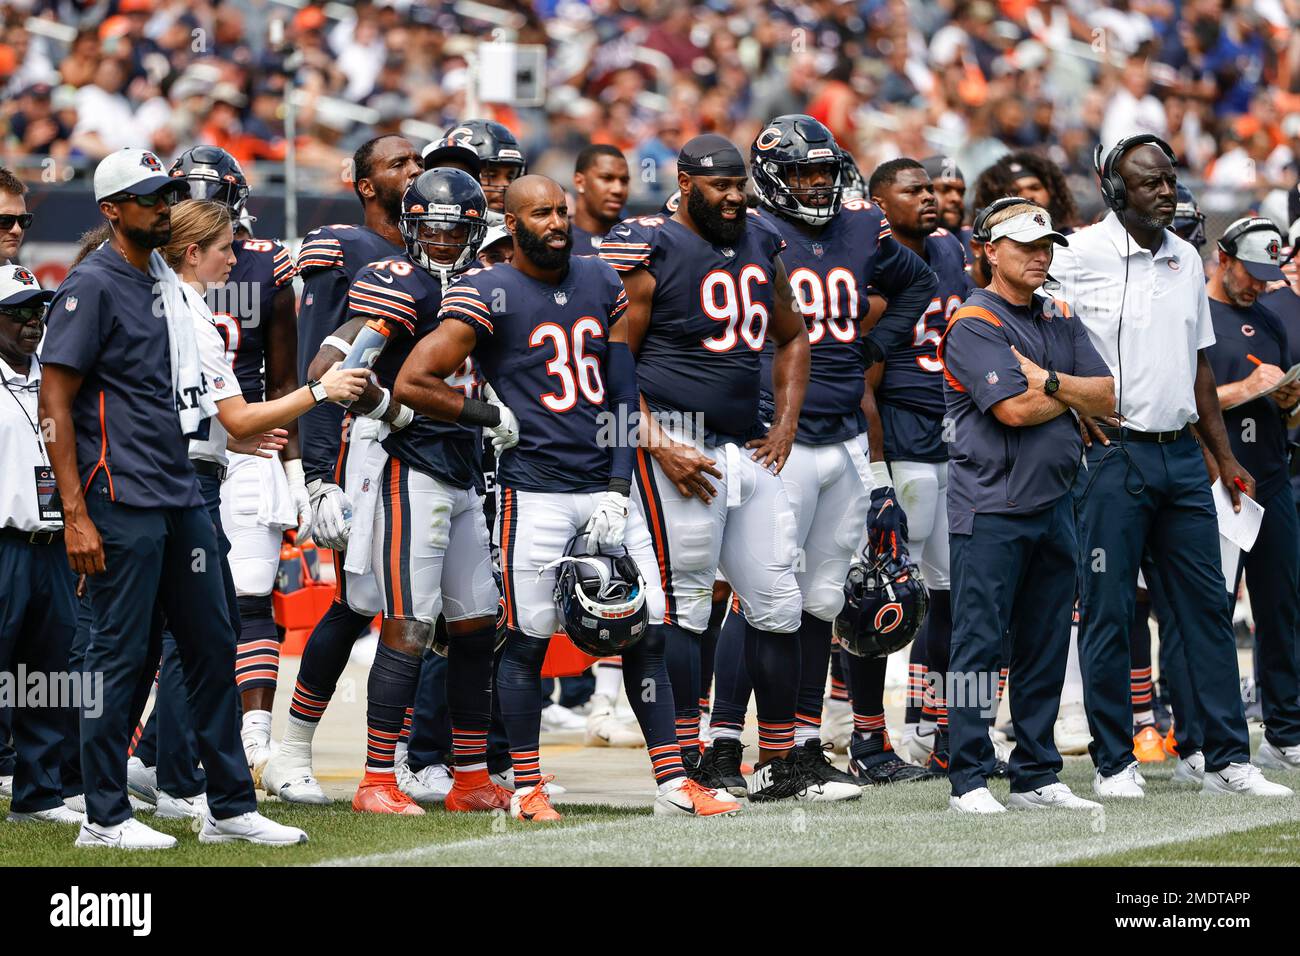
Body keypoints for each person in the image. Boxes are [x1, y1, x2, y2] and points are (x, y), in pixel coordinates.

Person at [395, 174, 740, 821]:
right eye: (542, 212)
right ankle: (526, 788)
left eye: (561, 211)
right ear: (513, 220)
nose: (557, 222)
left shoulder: (599, 281)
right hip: (534, 492)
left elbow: (618, 390)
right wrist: (483, 412)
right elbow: (415, 379)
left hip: (605, 487)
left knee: (649, 632)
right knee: (527, 640)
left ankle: (671, 783)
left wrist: (617, 484)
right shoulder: (487, 288)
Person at [38, 147, 309, 850]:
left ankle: (227, 807)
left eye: (166, 196)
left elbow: (188, 388)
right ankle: (103, 817)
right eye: (148, 197)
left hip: (181, 488)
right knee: (118, 657)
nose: (162, 206)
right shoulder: (91, 285)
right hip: (119, 493)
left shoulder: (166, 279)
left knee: (214, 646)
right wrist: (74, 512)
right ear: (112, 211)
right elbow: (55, 401)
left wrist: (233, 437)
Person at [1051, 134, 1293, 799]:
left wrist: (1222, 457)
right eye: (1149, 181)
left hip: (1183, 455)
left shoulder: (1186, 257)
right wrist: (1069, 402)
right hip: (1111, 457)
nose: (1165, 190)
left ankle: (1225, 759)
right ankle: (1114, 763)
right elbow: (1034, 328)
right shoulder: (1074, 254)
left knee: (1207, 609)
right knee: (1107, 612)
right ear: (1113, 189)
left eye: (1168, 179)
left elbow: (1200, 364)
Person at [701, 120, 937, 796]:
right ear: (772, 175)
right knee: (759, 598)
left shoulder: (863, 226)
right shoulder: (741, 229)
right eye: (802, 174)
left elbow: (915, 283)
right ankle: (723, 744)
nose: (816, 185)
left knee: (821, 600)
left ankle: (800, 746)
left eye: (824, 172)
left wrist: (878, 343)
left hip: (843, 436)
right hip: (776, 436)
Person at [598, 133, 828, 802]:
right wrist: (654, 440)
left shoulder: (761, 241)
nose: (733, 197)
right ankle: (690, 761)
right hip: (678, 438)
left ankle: (781, 759)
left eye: (739, 184)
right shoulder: (652, 247)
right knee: (688, 606)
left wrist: (786, 423)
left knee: (779, 602)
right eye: (719, 185)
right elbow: (614, 363)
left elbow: (792, 334)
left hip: (745, 442)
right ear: (685, 182)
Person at [303, 167, 505, 815]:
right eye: (431, 229)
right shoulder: (397, 280)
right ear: (411, 228)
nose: (442, 243)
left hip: (466, 470)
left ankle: (470, 776)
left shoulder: (487, 285)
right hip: (408, 466)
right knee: (408, 623)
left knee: (476, 625)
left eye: (456, 231)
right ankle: (375, 780)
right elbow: (340, 373)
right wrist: (401, 410)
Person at [939, 198, 1115, 813]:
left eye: (1045, 247)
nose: (1040, 256)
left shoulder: (1058, 313)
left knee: (1044, 641)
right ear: (989, 251)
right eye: (1025, 246)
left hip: (1056, 501)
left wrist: (1047, 381)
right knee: (978, 644)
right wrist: (1071, 394)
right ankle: (967, 777)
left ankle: (1037, 772)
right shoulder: (974, 322)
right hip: (990, 504)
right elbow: (1012, 411)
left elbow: (1108, 393)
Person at [263, 134, 421, 805]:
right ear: (364, 184)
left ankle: (415, 757)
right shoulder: (344, 247)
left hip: (436, 446)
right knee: (358, 601)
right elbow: (320, 366)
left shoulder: (437, 248)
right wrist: (317, 471)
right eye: (398, 164)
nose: (414, 173)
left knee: (429, 608)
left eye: (419, 161)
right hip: (366, 444)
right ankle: (292, 752)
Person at [866, 157, 974, 775]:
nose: (929, 198)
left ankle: (936, 731)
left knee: (950, 594)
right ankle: (866, 735)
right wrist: (877, 465)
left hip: (951, 436)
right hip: (902, 434)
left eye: (932, 189)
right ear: (881, 201)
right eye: (914, 190)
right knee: (878, 596)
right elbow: (866, 377)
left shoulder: (951, 250)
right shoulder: (873, 258)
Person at [1203, 216, 1300, 771]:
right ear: (1223, 257)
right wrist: (1245, 389)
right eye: (1250, 272)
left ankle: (1284, 731)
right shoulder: (1195, 317)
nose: (1258, 285)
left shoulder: (1268, 318)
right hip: (1216, 480)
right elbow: (1182, 403)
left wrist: (1286, 399)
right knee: (1211, 612)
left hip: (1271, 474)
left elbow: (1279, 400)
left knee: (1280, 607)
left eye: (1267, 274)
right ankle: (1208, 739)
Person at [0, 264, 81, 826]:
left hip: (52, 541)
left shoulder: (53, 378)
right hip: (4, 543)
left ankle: (39, 793)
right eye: (18, 312)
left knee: (47, 673)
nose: (33, 322)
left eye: (38, 310)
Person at [571, 143, 630, 255]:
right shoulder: (558, 239)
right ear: (579, 182)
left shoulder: (637, 241)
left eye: (624, 181)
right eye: (607, 178)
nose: (618, 189)